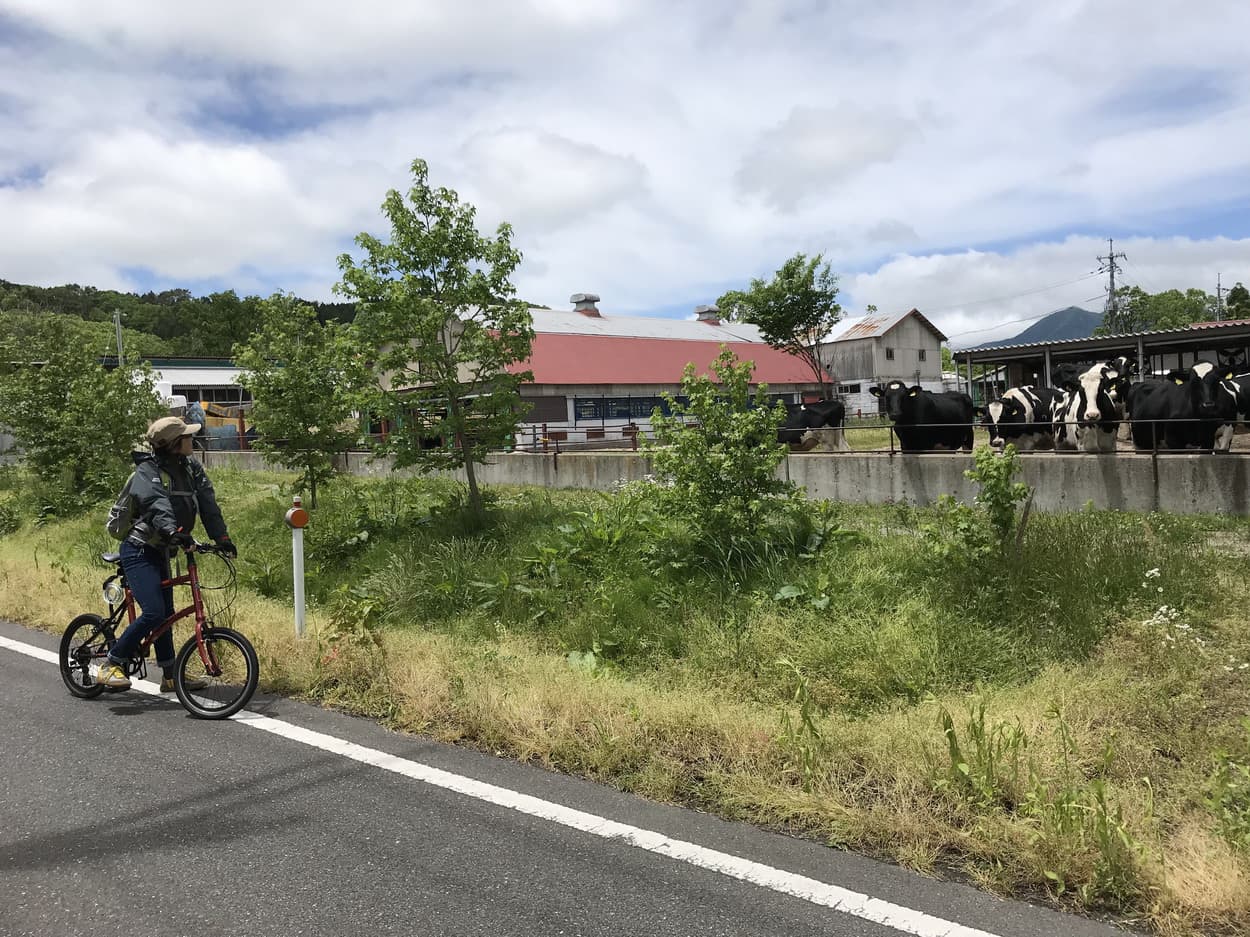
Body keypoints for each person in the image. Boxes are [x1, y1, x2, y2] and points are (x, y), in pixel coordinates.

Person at [96, 416, 238, 692]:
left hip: (164, 550)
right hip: (139, 550)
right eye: (187, 436)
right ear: (174, 444)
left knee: (167, 614)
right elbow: (155, 503)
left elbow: (208, 503)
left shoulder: (191, 468)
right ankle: (109, 663)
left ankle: (171, 676)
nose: (192, 440)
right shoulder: (147, 471)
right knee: (154, 612)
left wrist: (222, 538)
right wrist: (172, 530)